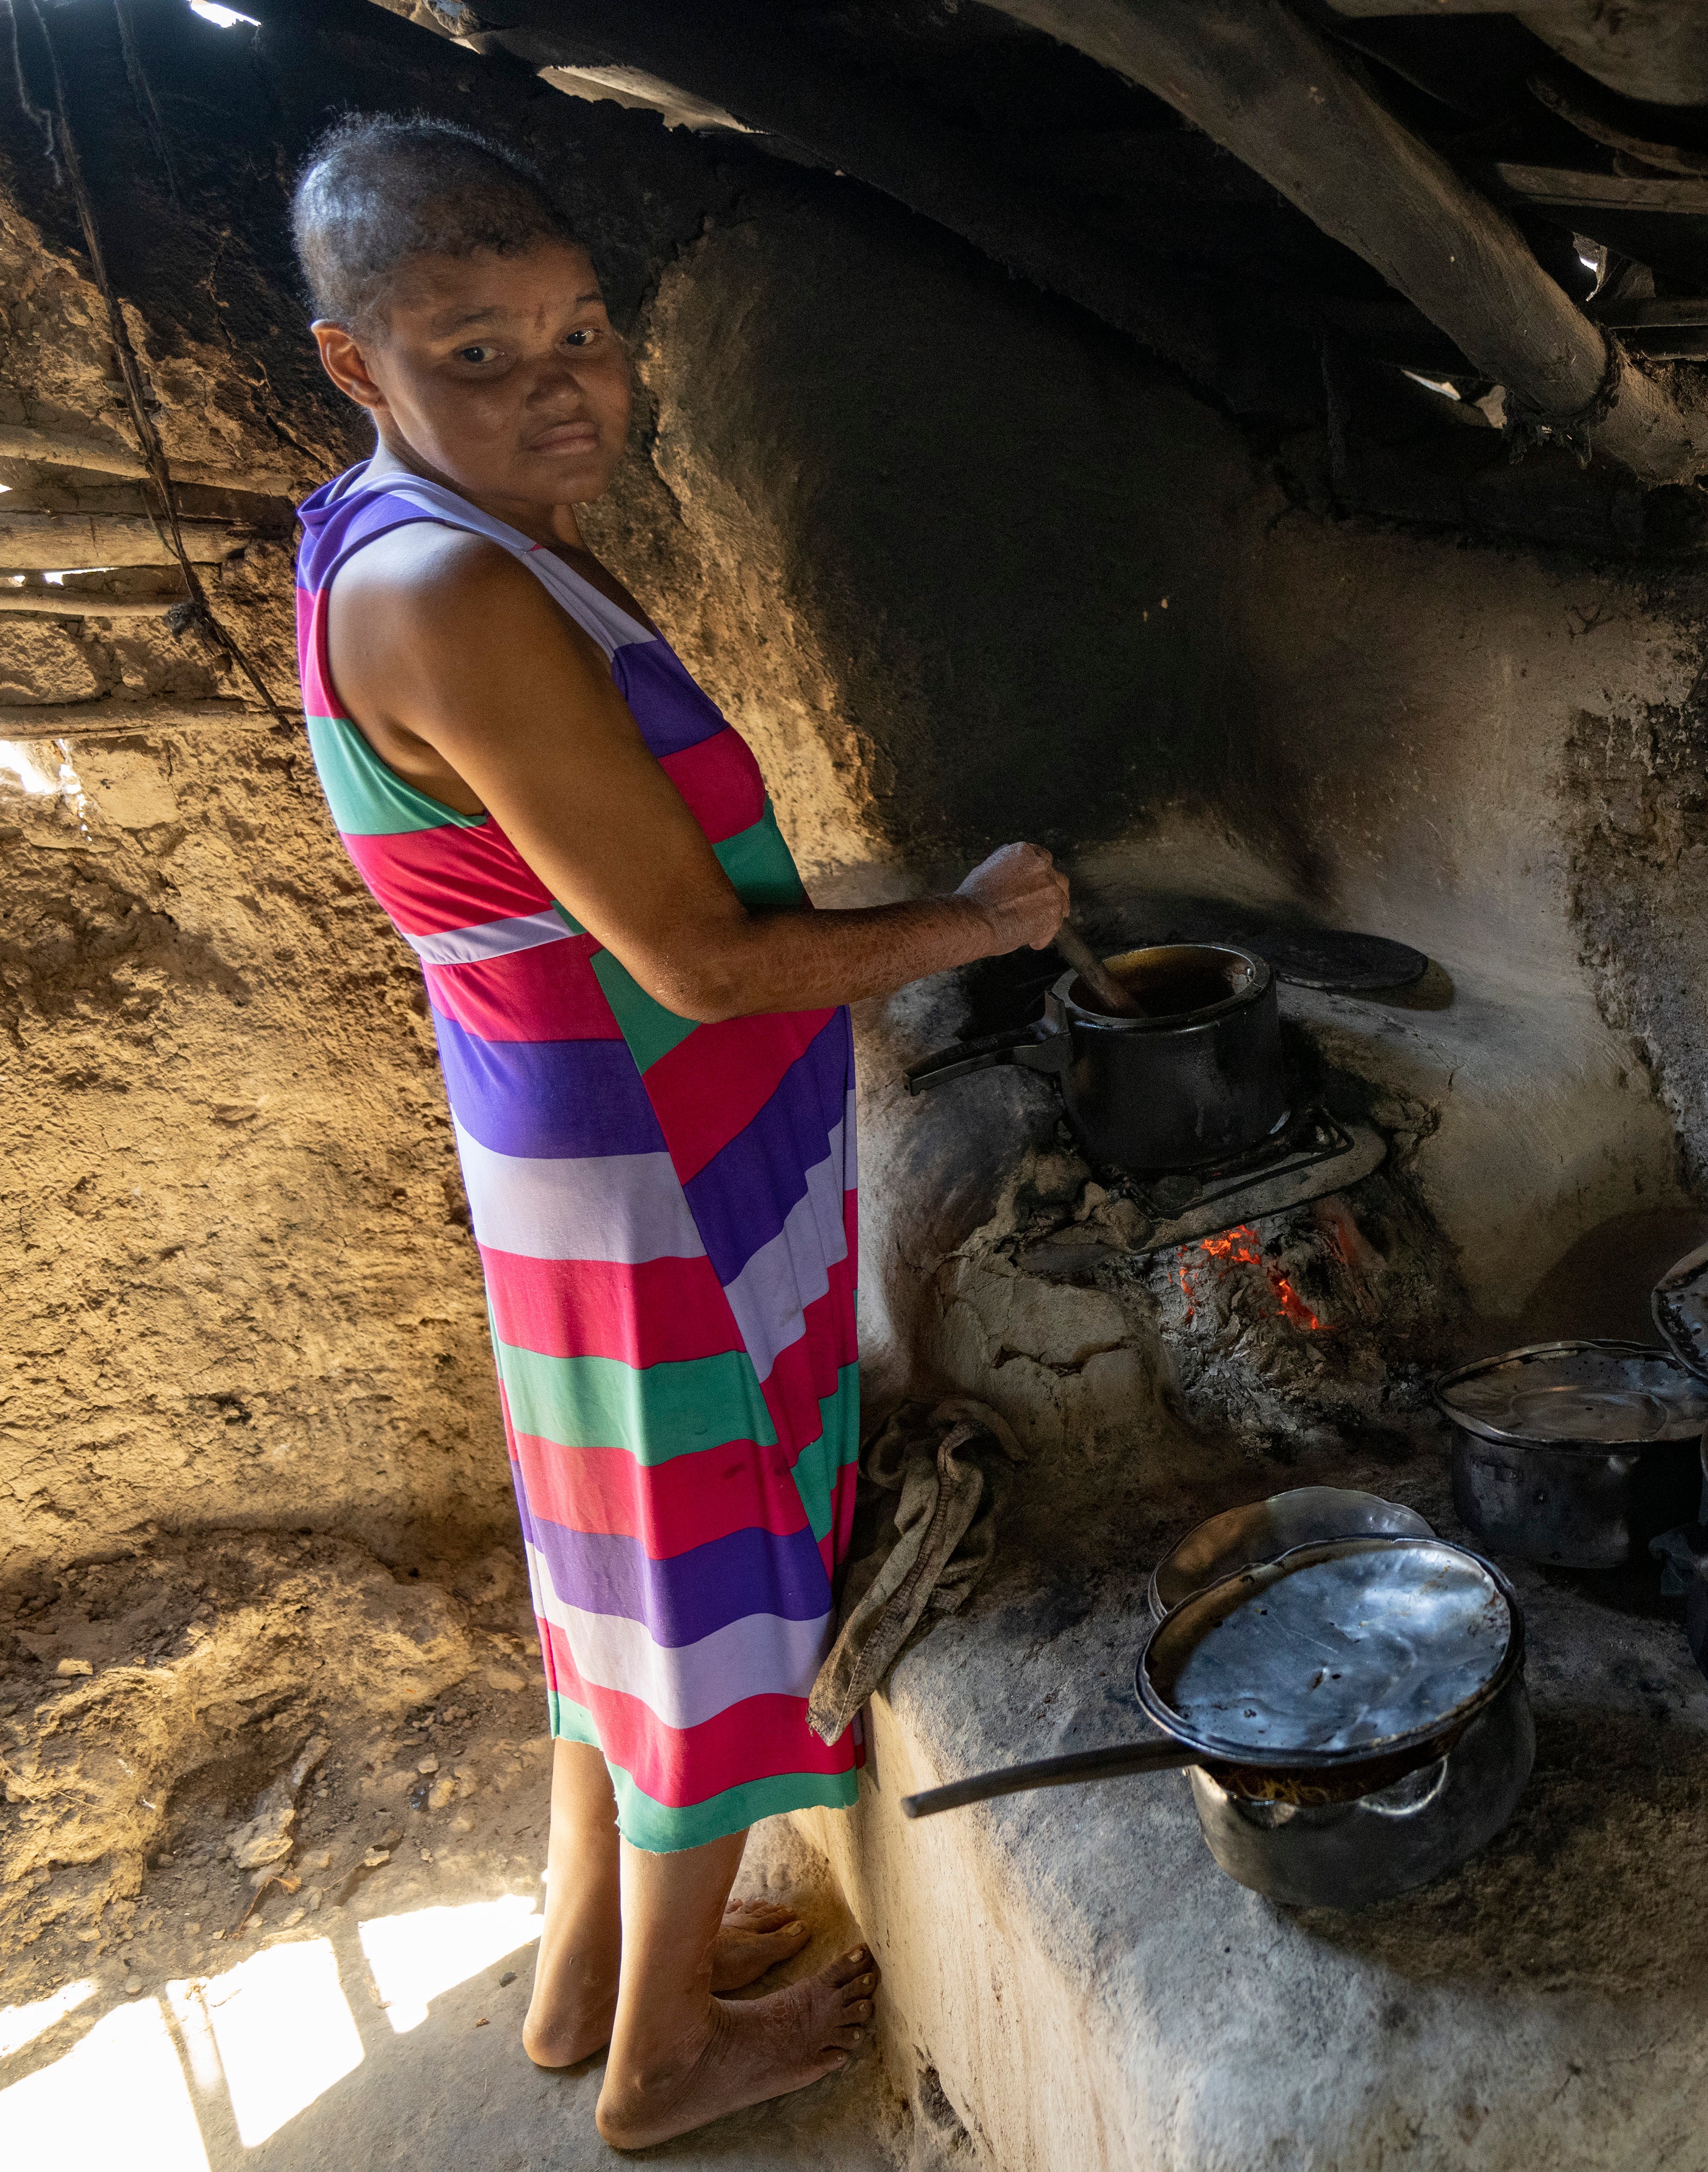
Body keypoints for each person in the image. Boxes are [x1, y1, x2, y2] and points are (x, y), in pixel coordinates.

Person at [287, 114, 1068, 2147]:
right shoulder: (451, 590)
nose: (559, 385)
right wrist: (973, 927)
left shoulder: (406, 526)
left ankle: (581, 1977)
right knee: (712, 1598)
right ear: (356, 361)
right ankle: (658, 2062)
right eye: (478, 350)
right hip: (652, 1173)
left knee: (617, 1575)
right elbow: (704, 964)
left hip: (583, 1133)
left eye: (581, 330)